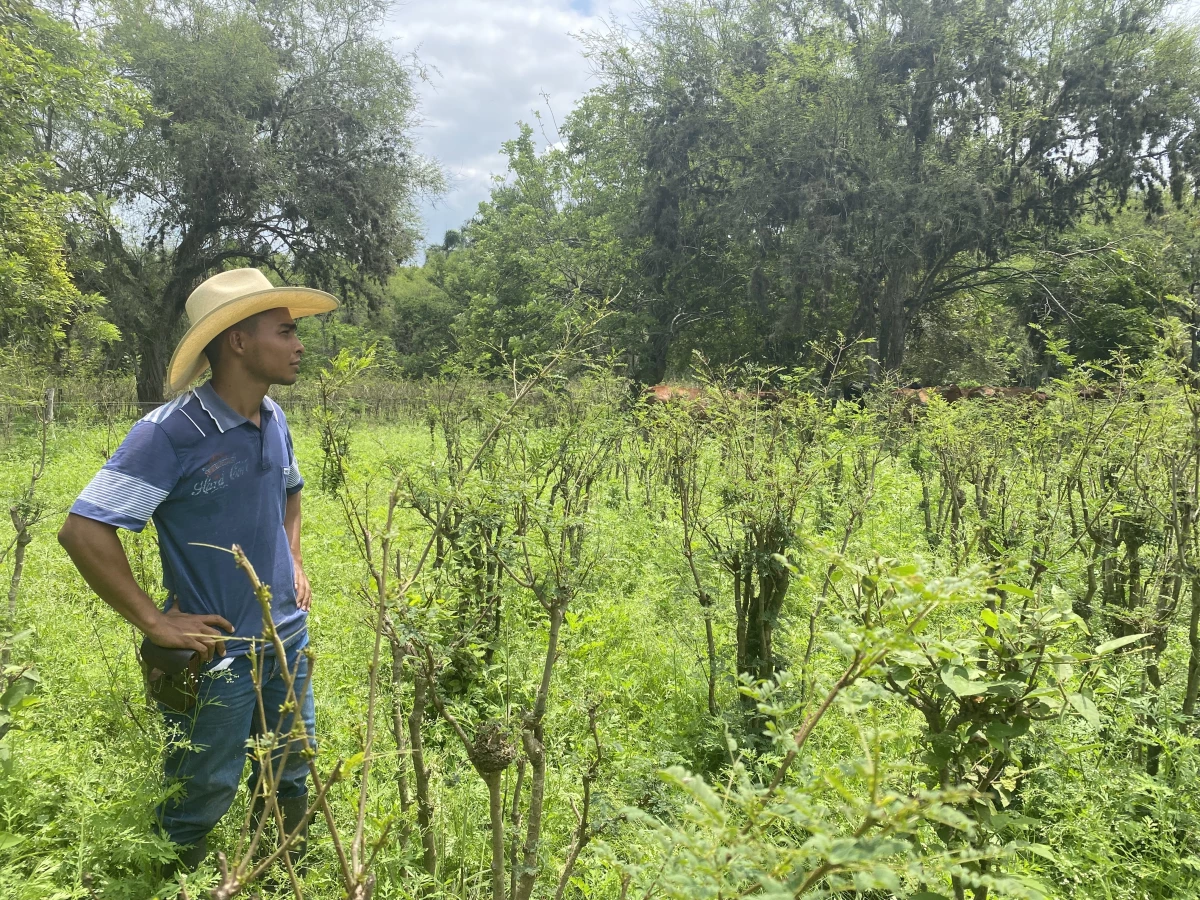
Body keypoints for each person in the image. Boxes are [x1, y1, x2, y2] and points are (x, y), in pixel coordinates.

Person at [58, 268, 338, 872]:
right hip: (218, 656)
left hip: (287, 638)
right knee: (202, 790)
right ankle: (174, 880)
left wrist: (292, 558)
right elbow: (83, 528)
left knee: (292, 771)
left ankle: (280, 871)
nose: (299, 344)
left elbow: (291, 492)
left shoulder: (275, 418)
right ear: (238, 341)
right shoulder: (171, 433)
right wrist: (154, 620)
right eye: (285, 331)